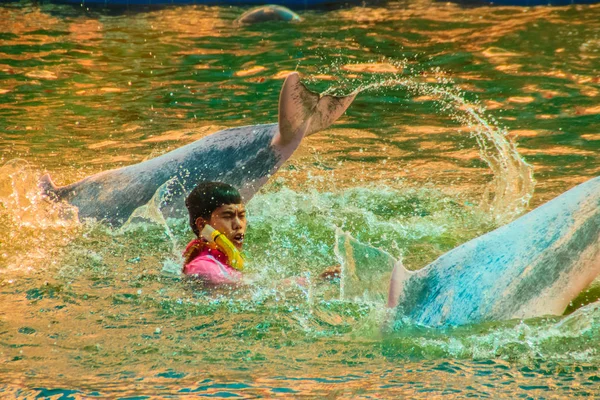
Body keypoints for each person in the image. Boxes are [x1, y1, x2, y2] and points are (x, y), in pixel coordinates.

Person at [182, 182, 246, 286]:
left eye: (241, 215)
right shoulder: (205, 269)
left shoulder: (224, 255)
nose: (238, 225)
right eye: (227, 216)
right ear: (202, 225)